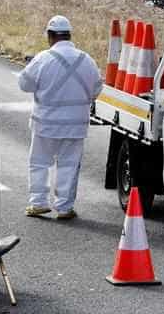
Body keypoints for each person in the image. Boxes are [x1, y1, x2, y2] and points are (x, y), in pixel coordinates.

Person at [18, 15, 103, 220]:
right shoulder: (87, 60)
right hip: (76, 125)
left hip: (45, 124)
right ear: (68, 35)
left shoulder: (43, 58)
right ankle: (65, 207)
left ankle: (38, 203)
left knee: (39, 163)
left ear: (50, 36)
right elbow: (97, 89)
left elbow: (24, 84)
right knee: (69, 165)